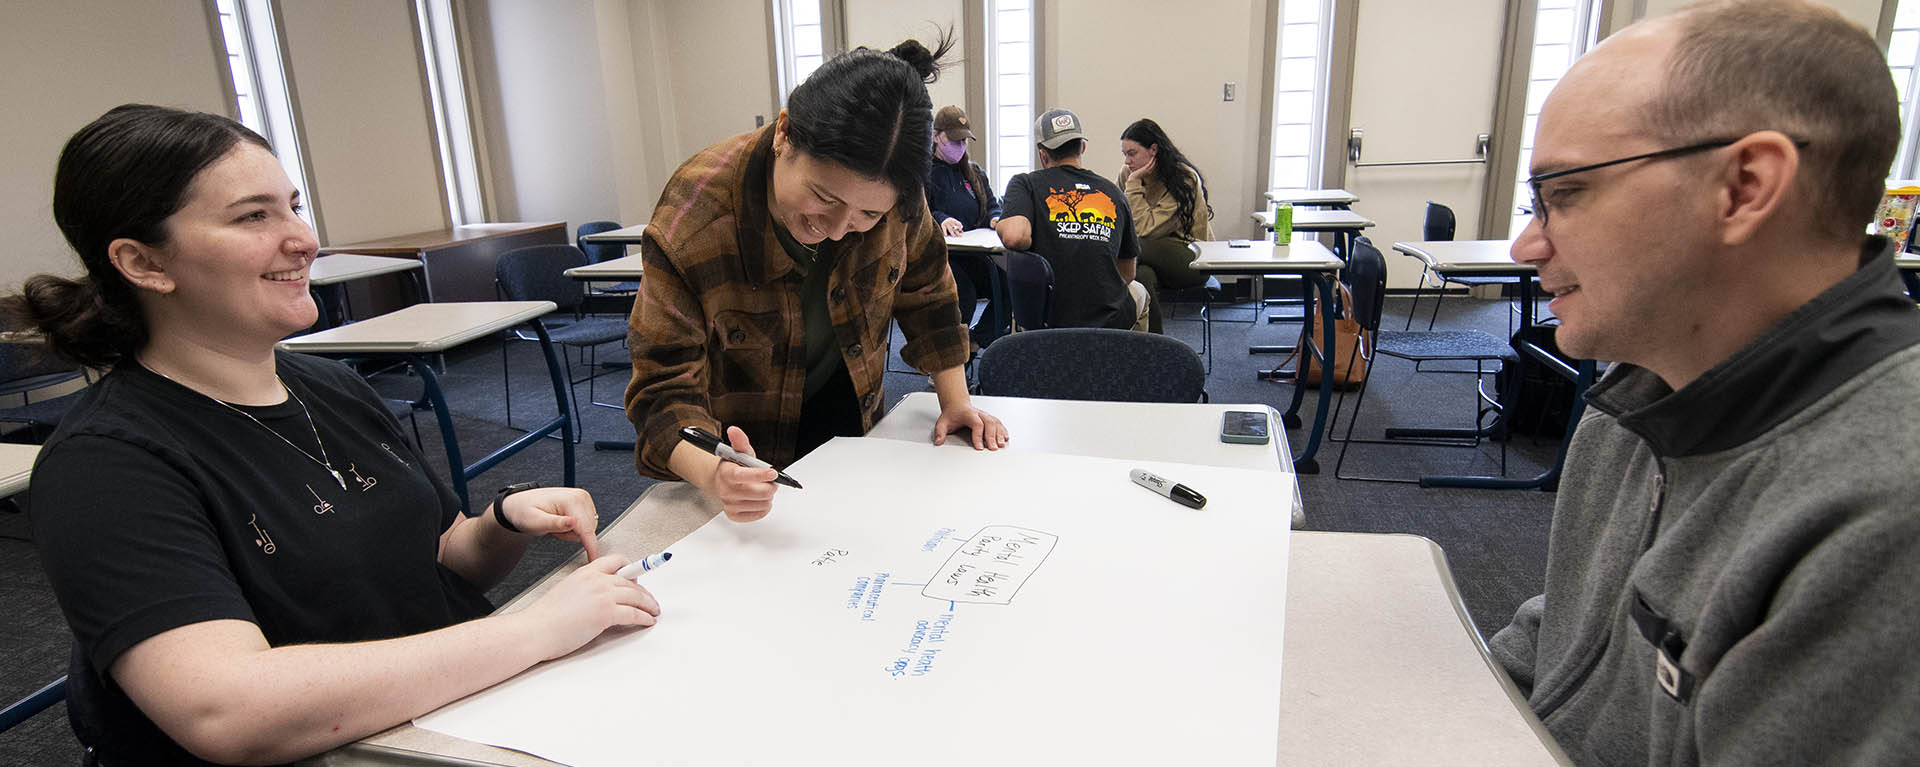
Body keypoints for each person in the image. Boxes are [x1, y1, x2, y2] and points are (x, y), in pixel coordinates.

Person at [12, 104, 662, 766]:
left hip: (445, 721)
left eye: (294, 207)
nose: (302, 239)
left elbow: (440, 557)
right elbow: (229, 710)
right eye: (253, 216)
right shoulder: (105, 464)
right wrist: (536, 631)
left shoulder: (329, 386)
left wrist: (500, 521)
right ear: (143, 263)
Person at [1489, 2, 1920, 764]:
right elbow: (1563, 644)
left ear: (1746, 185)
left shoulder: (1885, 512)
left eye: (1567, 192)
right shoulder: (1642, 395)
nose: (1529, 243)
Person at [626, 38, 1009, 524]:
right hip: (737, 446)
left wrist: (955, 402)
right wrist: (714, 473)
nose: (834, 228)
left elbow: (928, 289)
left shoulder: (900, 192)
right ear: (784, 133)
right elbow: (661, 391)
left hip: (851, 414)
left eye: (868, 213)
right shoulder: (696, 218)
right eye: (823, 197)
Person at [995, 108, 1148, 331]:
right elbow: (1127, 273)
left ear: (1042, 154)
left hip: (1047, 318)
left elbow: (1016, 237)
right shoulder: (1112, 192)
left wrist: (1001, 222)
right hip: (1109, 319)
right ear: (1082, 147)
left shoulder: (1025, 184)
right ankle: (1131, 358)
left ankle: (1028, 358)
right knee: (1140, 293)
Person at [1116, 118, 1214, 334]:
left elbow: (1144, 229)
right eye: (1124, 154)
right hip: (1150, 255)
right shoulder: (1128, 174)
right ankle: (1155, 346)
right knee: (1140, 275)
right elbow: (1119, 218)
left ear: (1153, 150)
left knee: (1131, 249)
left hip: (1191, 258)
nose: (1127, 161)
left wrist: (1133, 185)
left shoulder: (1184, 178)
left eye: (1132, 153)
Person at [926, 105, 1007, 349]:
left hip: (974, 254)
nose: (959, 146)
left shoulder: (974, 173)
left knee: (1009, 287)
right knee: (964, 294)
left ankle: (972, 343)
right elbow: (916, 214)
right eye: (954, 140)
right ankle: (947, 356)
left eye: (964, 141)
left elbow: (992, 206)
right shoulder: (923, 174)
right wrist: (941, 219)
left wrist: (995, 218)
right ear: (936, 136)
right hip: (940, 256)